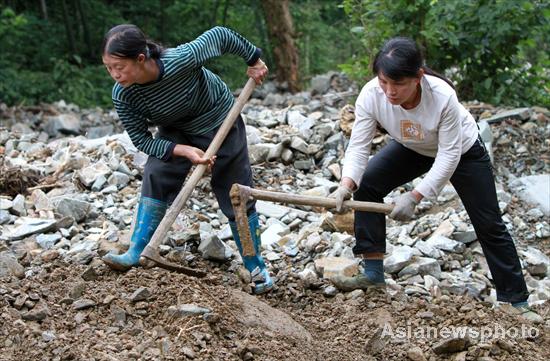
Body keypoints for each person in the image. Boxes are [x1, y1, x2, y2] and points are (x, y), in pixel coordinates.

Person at [330, 37, 540, 321]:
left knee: (488, 222)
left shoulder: (442, 96)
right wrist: (345, 185)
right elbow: (358, 145)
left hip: (462, 151)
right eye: (384, 82)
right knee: (367, 184)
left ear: (418, 77)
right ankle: (373, 272)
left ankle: (515, 300)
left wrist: (416, 196)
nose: (390, 92)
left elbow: (449, 156)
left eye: (399, 84)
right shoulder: (371, 94)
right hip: (411, 146)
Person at [100, 24, 273, 294]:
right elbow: (142, 140)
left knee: (235, 191)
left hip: (219, 121)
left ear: (141, 59)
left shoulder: (181, 60)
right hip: (175, 129)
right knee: (157, 174)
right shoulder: (124, 94)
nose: (114, 74)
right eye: (108, 67)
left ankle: (256, 266)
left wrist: (253, 59)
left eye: (118, 67)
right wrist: (184, 151)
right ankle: (136, 250)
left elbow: (221, 35)